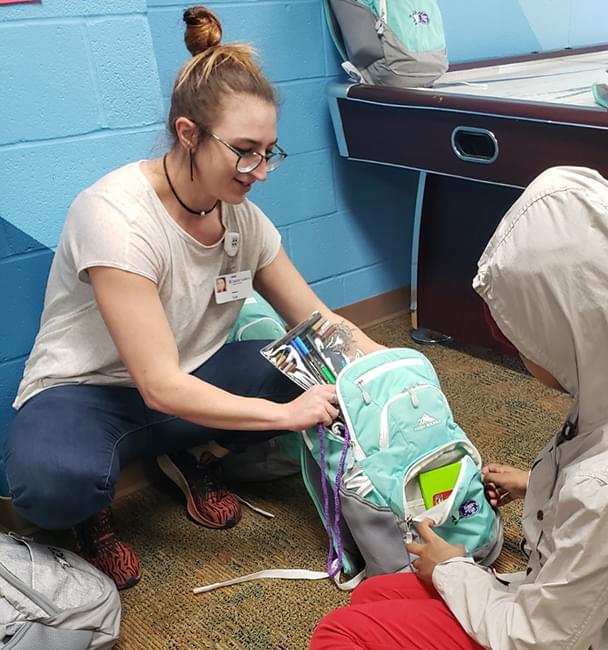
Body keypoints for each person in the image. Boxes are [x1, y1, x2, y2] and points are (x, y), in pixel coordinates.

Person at [3, 6, 381, 590]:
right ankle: (91, 514)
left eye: (270, 151)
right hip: (91, 391)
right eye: (245, 151)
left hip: (188, 379)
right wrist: (284, 418)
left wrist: (394, 368)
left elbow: (319, 323)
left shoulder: (243, 219)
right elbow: (157, 386)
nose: (260, 171)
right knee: (51, 483)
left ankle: (196, 458)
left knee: (307, 370)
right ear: (188, 135)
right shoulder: (115, 217)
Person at [310, 166, 608, 649]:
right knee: (376, 596)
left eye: (524, 336)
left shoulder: (607, 487)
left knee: (340, 633)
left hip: (581, 632)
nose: (522, 353)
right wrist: (541, 484)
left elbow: (542, 637)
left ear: (570, 329)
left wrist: (452, 570)